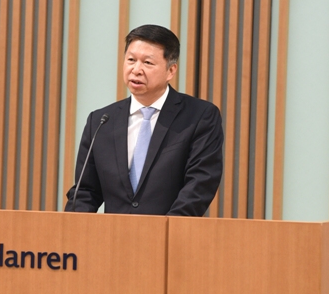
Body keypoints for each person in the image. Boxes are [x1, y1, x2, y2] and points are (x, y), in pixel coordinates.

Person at [65, 24, 223, 216]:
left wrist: (165, 229)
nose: (136, 70)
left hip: (170, 232)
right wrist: (72, 228)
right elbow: (85, 192)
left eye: (147, 63)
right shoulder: (101, 121)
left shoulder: (199, 116)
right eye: (131, 60)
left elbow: (200, 184)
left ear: (171, 70)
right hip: (112, 233)